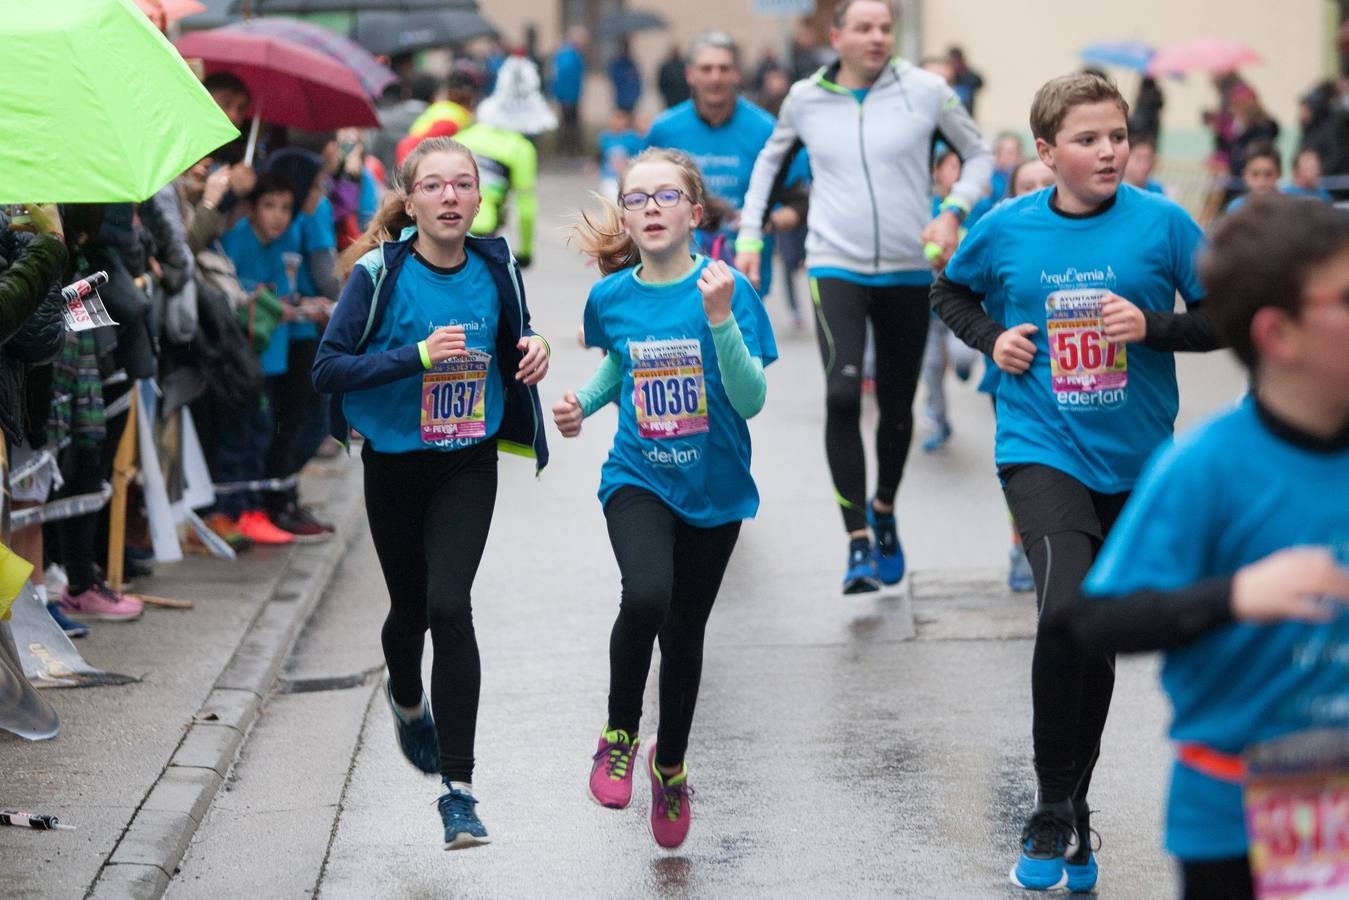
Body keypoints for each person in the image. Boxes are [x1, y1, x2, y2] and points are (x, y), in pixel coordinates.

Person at [930, 72, 1222, 892]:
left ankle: (1075, 807)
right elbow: (947, 287)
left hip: (1135, 462)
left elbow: (1224, 315)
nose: (1106, 151)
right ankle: (1051, 806)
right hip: (1039, 446)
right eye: (1087, 139)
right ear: (1048, 152)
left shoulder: (1163, 223)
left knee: (1091, 630)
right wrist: (991, 338)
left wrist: (1153, 325)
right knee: (1063, 613)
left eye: (1117, 136)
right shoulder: (1005, 228)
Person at [1073, 195, 1349, 900]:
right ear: (1277, 334)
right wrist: (1236, 595)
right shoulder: (1207, 467)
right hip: (1236, 813)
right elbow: (1098, 620)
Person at [312, 136, 550, 850]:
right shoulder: (378, 275)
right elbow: (328, 368)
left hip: (466, 461)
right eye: (434, 185)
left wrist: (535, 349)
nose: (450, 196)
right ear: (410, 200)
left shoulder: (496, 265)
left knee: (450, 605)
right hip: (394, 464)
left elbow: (519, 339)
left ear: (480, 199)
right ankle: (405, 697)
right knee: (409, 610)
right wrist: (414, 357)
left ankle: (458, 791)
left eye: (463, 185)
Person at [554, 147, 776, 850]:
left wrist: (718, 317)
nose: (650, 209)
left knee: (685, 633)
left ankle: (669, 763)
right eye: (636, 199)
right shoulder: (611, 297)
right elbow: (621, 363)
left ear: (694, 213)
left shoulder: (727, 289)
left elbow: (751, 399)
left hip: (714, 488)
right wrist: (583, 405)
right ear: (624, 216)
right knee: (645, 594)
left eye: (664, 197)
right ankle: (618, 731)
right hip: (638, 476)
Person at [736, 0, 993, 593]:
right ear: (838, 36)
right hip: (835, 263)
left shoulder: (927, 91)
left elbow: (977, 154)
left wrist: (953, 210)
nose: (877, 37)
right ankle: (856, 542)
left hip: (908, 265)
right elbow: (769, 166)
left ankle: (883, 509)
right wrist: (751, 234)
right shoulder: (805, 98)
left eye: (885, 28)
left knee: (899, 407)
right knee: (844, 393)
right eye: (864, 27)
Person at [644, 31, 807, 300]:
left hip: (742, 279)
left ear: (737, 74)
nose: (715, 77)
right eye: (706, 69)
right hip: (673, 280)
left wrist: (765, 222)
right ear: (690, 75)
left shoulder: (765, 129)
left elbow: (800, 202)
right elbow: (634, 198)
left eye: (724, 68)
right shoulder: (664, 130)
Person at [551, 26, 588, 155]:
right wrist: (563, 95)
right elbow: (563, 76)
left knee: (570, 124)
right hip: (568, 96)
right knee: (568, 125)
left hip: (572, 95)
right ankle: (567, 150)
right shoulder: (568, 55)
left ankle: (569, 150)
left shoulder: (572, 54)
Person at [597, 108, 643, 200]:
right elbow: (600, 155)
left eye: (621, 119)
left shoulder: (632, 137)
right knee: (612, 199)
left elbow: (639, 155)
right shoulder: (605, 137)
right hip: (609, 176)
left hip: (627, 175)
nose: (618, 122)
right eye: (616, 119)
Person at [1223, 143, 1280, 214]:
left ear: (1279, 174)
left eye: (1268, 174)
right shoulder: (1236, 208)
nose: (1261, 182)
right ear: (1245, 175)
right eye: (1255, 174)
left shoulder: (1288, 208)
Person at [947, 45, 984, 116]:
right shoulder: (946, 78)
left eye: (954, 61)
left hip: (966, 112)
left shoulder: (968, 76)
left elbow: (978, 83)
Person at [608, 39, 642, 114]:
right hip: (621, 97)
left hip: (631, 97)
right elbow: (615, 78)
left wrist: (637, 94)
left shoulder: (631, 63)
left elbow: (637, 79)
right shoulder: (617, 63)